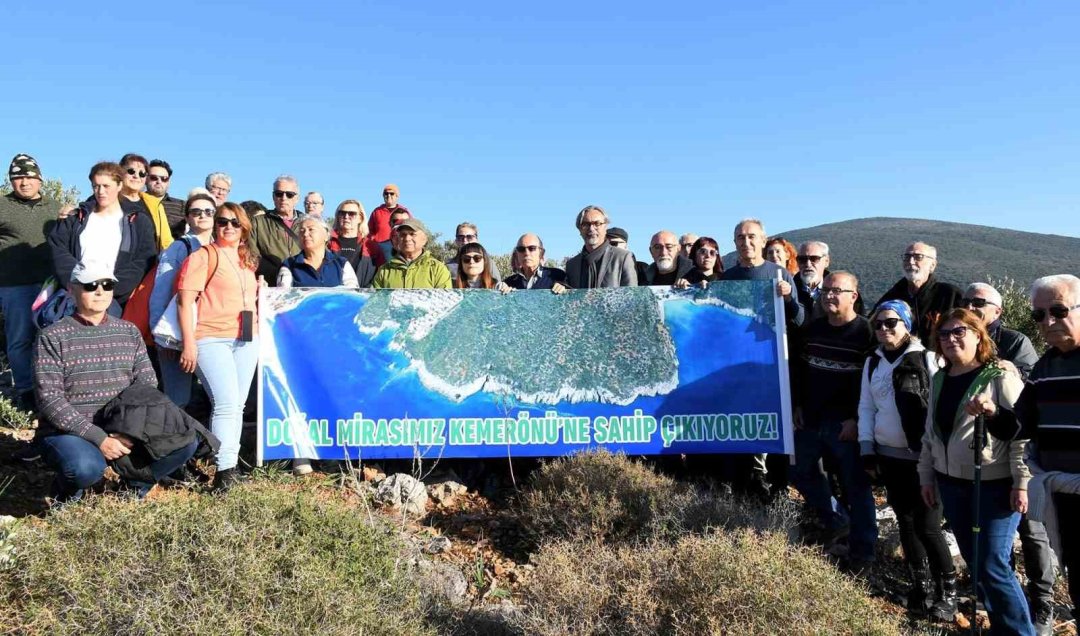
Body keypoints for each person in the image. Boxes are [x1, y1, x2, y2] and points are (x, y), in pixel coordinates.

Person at [33, 260, 198, 501]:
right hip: (71, 431)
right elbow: (50, 400)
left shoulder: (129, 332)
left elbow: (146, 385)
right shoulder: (52, 336)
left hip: (123, 426)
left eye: (107, 284)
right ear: (72, 288)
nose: (100, 291)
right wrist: (98, 438)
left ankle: (132, 489)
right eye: (90, 285)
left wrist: (128, 432)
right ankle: (66, 495)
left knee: (186, 440)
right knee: (83, 468)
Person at [919, 309, 1034, 636]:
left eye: (959, 332)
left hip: (995, 485)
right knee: (976, 561)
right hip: (951, 482)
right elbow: (931, 433)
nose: (951, 339)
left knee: (993, 565)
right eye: (944, 334)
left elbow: (1020, 433)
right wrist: (927, 476)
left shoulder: (1000, 375)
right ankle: (1001, 627)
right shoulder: (940, 378)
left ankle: (1020, 632)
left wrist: (1022, 482)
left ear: (978, 336)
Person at [958, 283, 1055, 632]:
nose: (970, 305)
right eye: (966, 300)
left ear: (998, 311)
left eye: (979, 302)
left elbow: (1028, 398)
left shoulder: (1016, 344)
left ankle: (1042, 602)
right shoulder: (960, 342)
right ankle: (1002, 600)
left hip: (1023, 457)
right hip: (986, 458)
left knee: (1032, 530)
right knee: (995, 544)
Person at [858, 300, 957, 619]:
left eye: (892, 323)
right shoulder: (872, 362)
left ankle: (949, 592)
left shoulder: (928, 358)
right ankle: (920, 584)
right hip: (889, 455)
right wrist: (866, 447)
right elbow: (866, 407)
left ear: (907, 325)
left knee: (929, 526)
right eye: (879, 324)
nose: (884, 329)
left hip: (924, 457)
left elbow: (943, 406)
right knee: (906, 522)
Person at [793, 271, 878, 573]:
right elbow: (801, 372)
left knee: (857, 486)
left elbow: (874, 383)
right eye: (826, 290)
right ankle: (839, 520)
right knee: (798, 470)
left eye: (837, 291)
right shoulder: (812, 330)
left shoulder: (867, 334)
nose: (829, 296)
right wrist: (798, 405)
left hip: (846, 425)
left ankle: (865, 552)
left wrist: (856, 419)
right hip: (812, 420)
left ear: (853, 295)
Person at [176, 203, 260, 492]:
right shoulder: (202, 256)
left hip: (246, 339)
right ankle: (223, 472)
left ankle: (229, 466)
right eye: (222, 221)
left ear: (244, 227)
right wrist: (189, 343)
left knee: (236, 405)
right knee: (225, 404)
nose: (228, 227)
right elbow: (185, 302)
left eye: (235, 223)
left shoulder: (246, 260)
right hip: (211, 338)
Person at [1017, 274, 1080, 627]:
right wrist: (991, 414)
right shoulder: (1045, 366)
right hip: (1062, 493)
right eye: (1039, 315)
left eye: (1057, 310)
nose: (1048, 322)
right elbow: (1020, 424)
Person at [49, 162, 157, 312]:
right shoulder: (75, 218)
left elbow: (143, 260)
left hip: (116, 303)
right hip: (76, 298)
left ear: (119, 185)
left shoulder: (138, 222)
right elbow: (59, 250)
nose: (100, 191)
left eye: (106, 186)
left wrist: (111, 289)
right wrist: (77, 284)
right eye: (96, 186)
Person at [0, 154, 60, 412]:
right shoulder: (2, 205)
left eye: (29, 177)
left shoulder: (55, 207)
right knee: (19, 338)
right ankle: (26, 390)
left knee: (52, 338)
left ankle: (54, 391)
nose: (24, 182)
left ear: (39, 179)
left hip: (51, 284)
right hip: (14, 283)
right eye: (17, 177)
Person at [149, 193, 217, 408]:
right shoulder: (179, 248)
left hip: (209, 329)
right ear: (187, 218)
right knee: (177, 398)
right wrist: (161, 336)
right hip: (176, 331)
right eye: (196, 212)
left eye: (208, 211)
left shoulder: (220, 247)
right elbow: (161, 290)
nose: (202, 216)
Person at [876, 242, 962, 347]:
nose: (911, 262)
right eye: (907, 257)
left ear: (932, 265)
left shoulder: (950, 295)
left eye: (918, 257)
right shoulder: (892, 296)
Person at [721, 219, 804, 327]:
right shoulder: (727, 277)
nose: (746, 243)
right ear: (735, 243)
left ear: (763, 241)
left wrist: (788, 298)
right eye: (741, 237)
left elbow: (799, 320)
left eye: (751, 236)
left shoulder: (780, 274)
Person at [962, 283, 1039, 377]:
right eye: (965, 302)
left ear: (997, 312)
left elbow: (1033, 377)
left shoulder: (1015, 341)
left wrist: (1015, 372)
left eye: (978, 303)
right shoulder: (949, 336)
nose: (969, 307)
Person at [561, 205, 637, 290]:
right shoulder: (572, 265)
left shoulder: (623, 258)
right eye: (585, 224)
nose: (591, 229)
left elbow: (631, 297)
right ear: (579, 230)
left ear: (605, 227)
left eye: (597, 223)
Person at [248, 175, 303, 282]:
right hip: (270, 285)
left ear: (297, 198)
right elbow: (251, 256)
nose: (283, 198)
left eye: (289, 195)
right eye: (279, 194)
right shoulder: (257, 223)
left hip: (302, 285)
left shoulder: (308, 224)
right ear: (273, 196)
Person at [277, 218, 359, 288]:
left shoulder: (341, 264)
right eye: (302, 231)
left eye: (311, 229)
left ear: (326, 235)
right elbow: (283, 296)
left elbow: (352, 295)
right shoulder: (289, 265)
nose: (305, 234)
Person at [371, 218, 451, 289]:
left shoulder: (438, 269)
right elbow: (375, 302)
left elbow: (445, 302)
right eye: (403, 234)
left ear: (424, 239)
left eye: (412, 234)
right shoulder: (384, 271)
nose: (407, 238)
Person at [119, 153, 172, 251]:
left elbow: (166, 242)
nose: (136, 176)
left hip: (150, 264)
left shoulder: (154, 204)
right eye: (131, 171)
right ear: (120, 173)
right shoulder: (107, 200)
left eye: (142, 174)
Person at [327, 200, 377, 287]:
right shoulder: (327, 243)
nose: (346, 217)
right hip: (332, 296)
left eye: (351, 214)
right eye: (342, 213)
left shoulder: (371, 246)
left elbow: (379, 275)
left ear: (360, 218)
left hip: (362, 297)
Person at [500, 233, 566, 291]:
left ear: (541, 253)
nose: (526, 253)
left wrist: (563, 290)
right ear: (517, 254)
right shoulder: (508, 283)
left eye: (532, 248)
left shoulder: (557, 276)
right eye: (521, 249)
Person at [146, 159, 186, 240]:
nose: (159, 181)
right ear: (146, 179)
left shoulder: (183, 205)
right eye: (154, 178)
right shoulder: (136, 202)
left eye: (164, 178)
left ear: (169, 182)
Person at [795, 241, 831, 322]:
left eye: (814, 259)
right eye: (802, 259)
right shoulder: (789, 291)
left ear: (826, 261)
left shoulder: (842, 290)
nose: (808, 264)